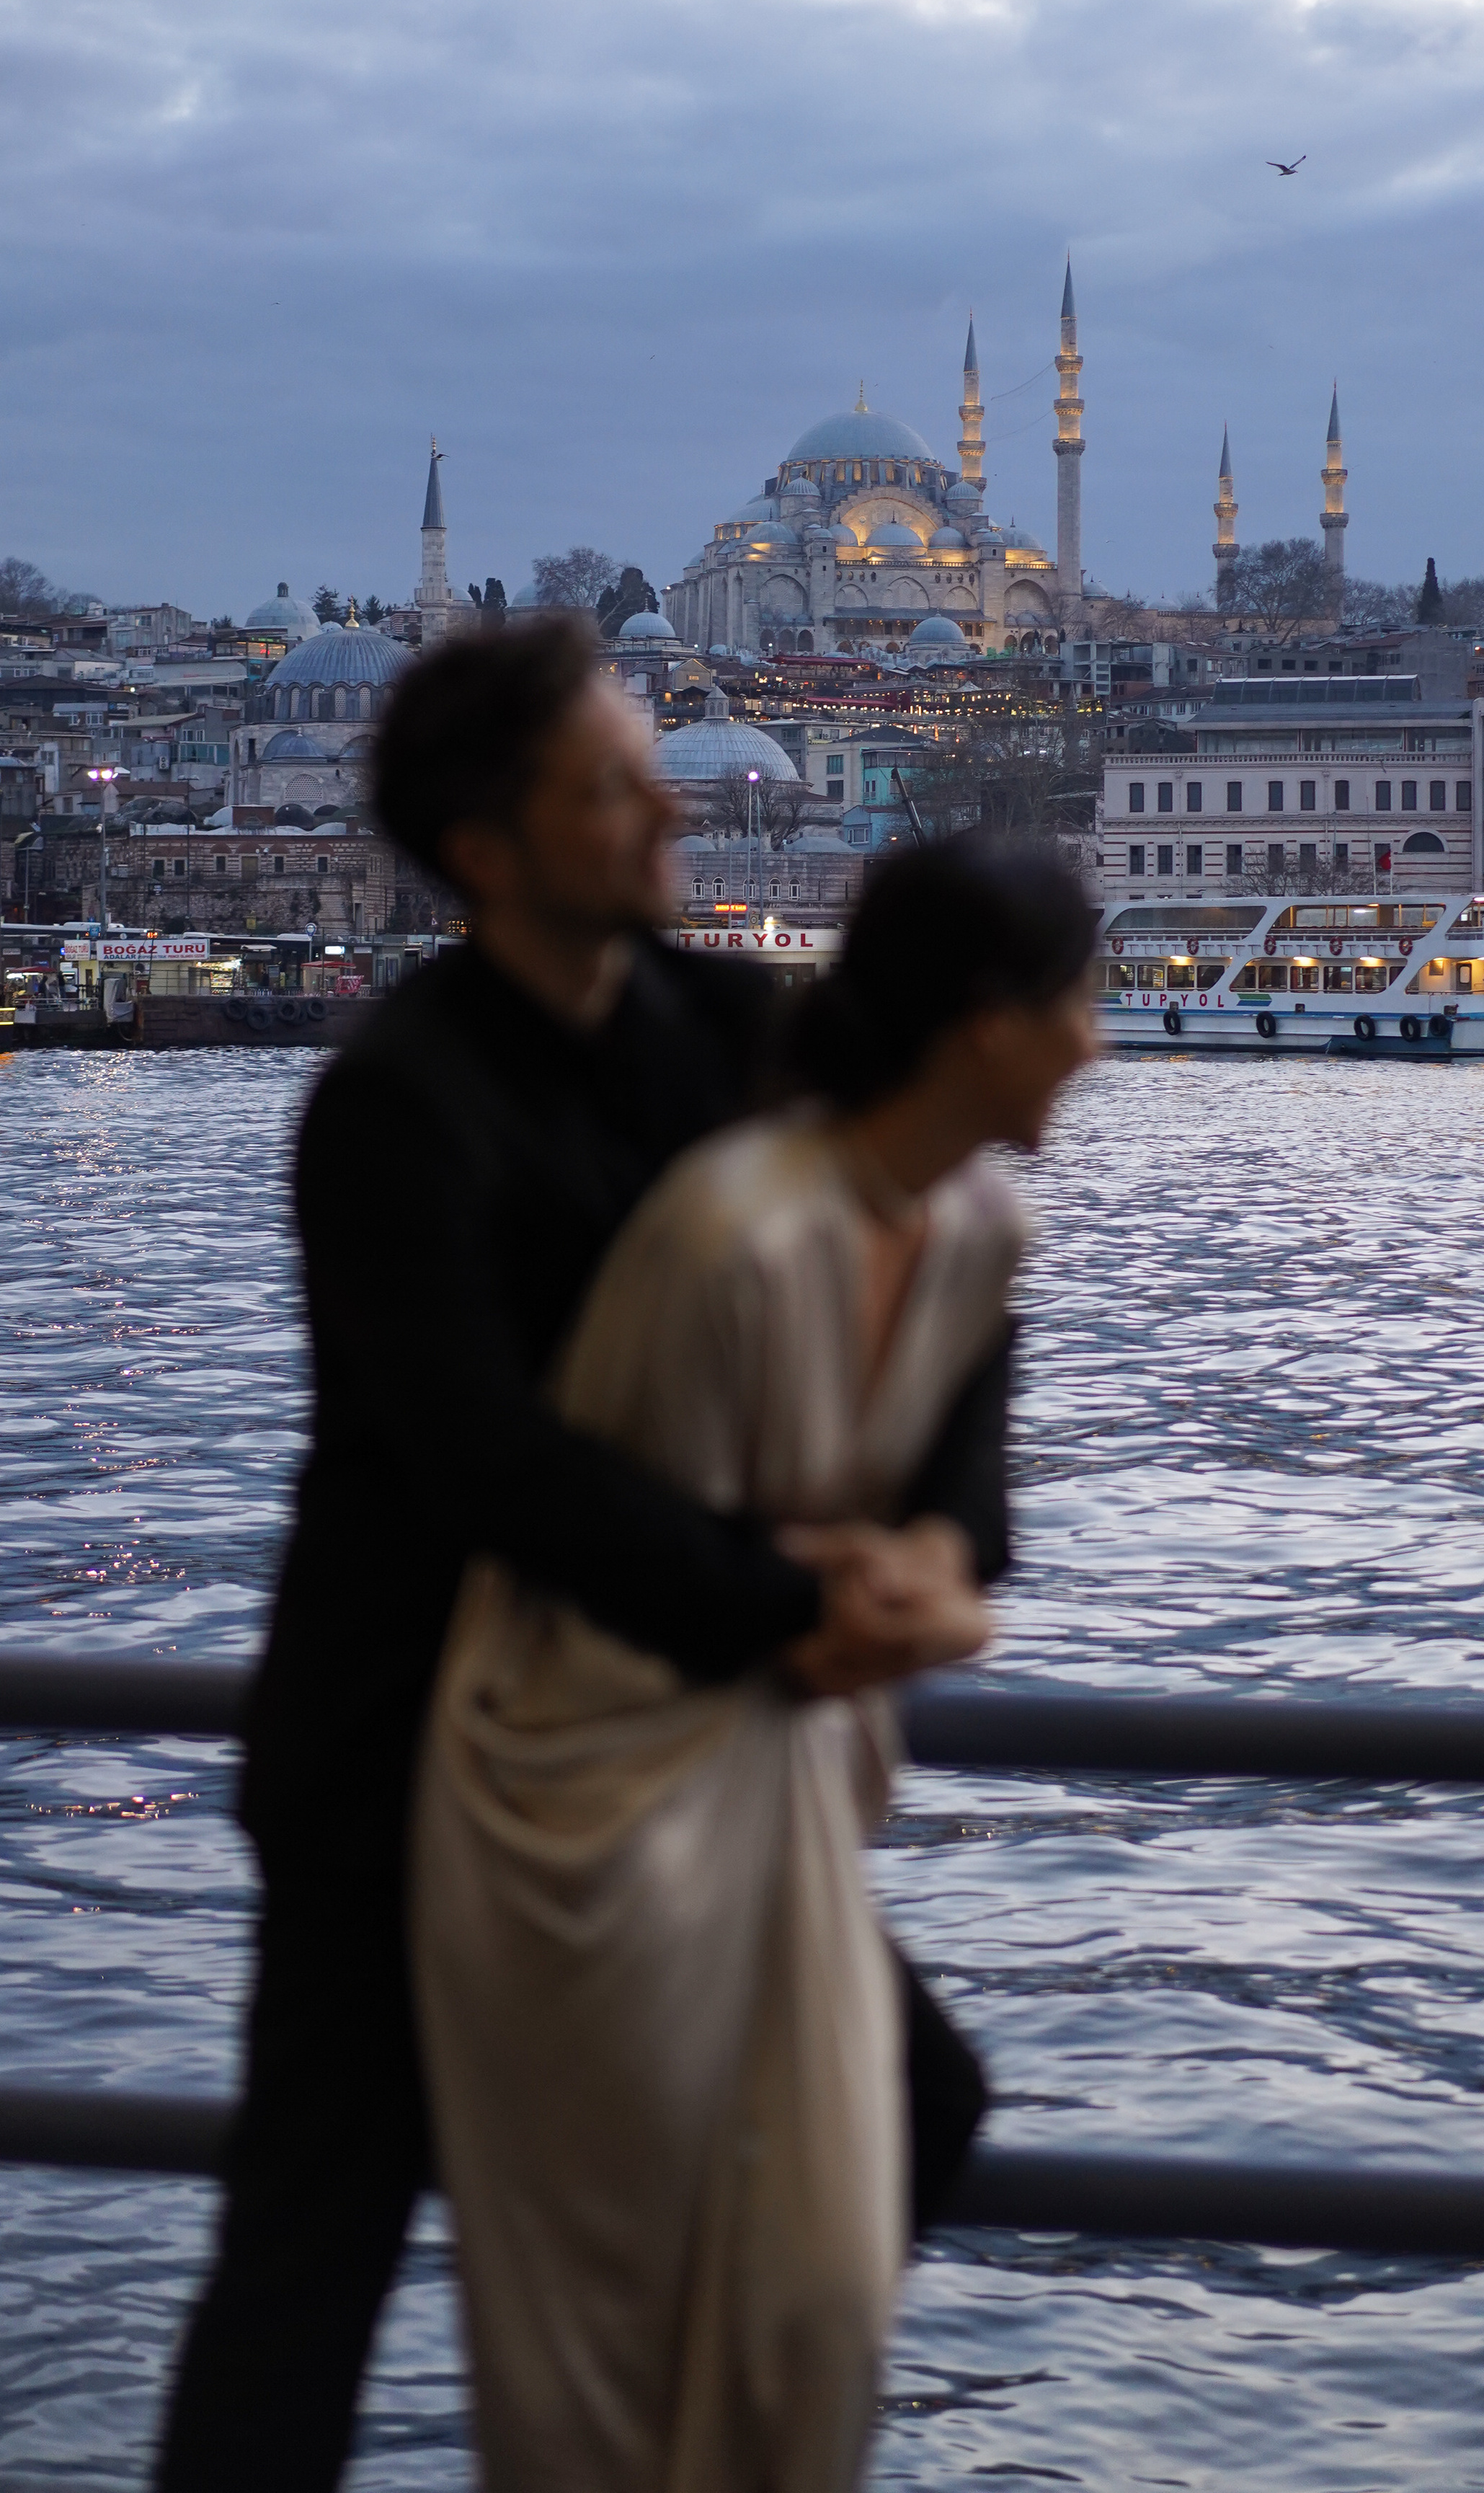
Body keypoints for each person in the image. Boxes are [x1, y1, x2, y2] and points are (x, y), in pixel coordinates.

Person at [156, 622, 1008, 2493]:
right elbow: (492, 1464)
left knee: (913, 2104)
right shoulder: (396, 1106)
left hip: (663, 1744)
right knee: (313, 2261)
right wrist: (799, 1606)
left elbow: (944, 1217)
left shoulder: (733, 1032)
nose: (669, 803)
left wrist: (945, 1527)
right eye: (615, 782)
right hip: (399, 1767)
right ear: (488, 848)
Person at [412, 837, 1098, 2493]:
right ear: (982, 1026)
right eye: (1074, 1002)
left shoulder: (973, 1231)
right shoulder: (736, 1238)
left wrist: (902, 1582)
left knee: (807, 2272)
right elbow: (627, 1552)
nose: (1097, 1039)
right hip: (595, 1800)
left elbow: (959, 1516)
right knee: (628, 2304)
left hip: (765, 1776)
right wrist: (844, 1610)